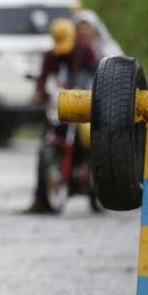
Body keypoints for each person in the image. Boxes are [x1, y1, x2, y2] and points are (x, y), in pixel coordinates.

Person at [26, 17, 99, 213]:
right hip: (57, 110)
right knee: (44, 145)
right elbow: (43, 79)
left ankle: (94, 179)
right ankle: (40, 197)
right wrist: (38, 93)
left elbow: (97, 74)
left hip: (82, 109)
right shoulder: (51, 55)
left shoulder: (85, 51)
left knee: (93, 139)